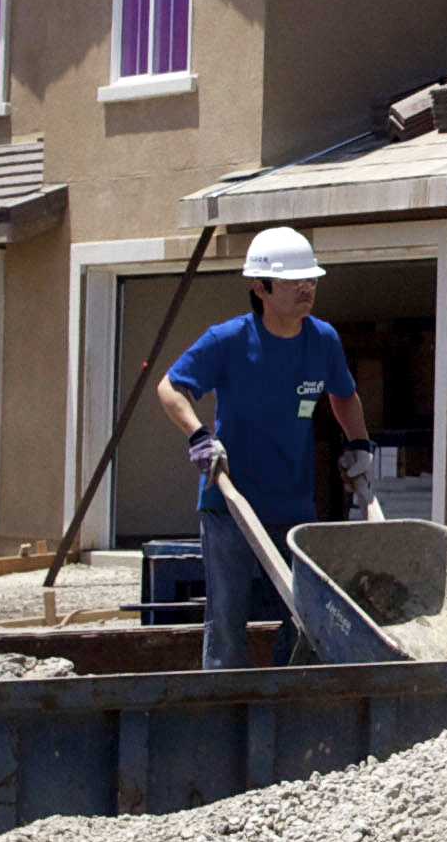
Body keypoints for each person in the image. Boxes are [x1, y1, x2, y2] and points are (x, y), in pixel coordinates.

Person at [156, 225, 367, 668]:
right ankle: (225, 707)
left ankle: (291, 702)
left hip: (293, 507)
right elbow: (171, 387)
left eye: (310, 279)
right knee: (227, 620)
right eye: (293, 281)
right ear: (261, 287)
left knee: (303, 614)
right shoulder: (228, 340)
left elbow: (343, 394)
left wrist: (359, 444)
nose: (306, 288)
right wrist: (199, 437)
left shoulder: (322, 339)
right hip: (230, 505)